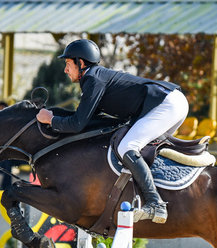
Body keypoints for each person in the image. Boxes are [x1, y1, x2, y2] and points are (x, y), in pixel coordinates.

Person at [35, 39, 189, 224]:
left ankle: (155, 203)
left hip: (166, 104)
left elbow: (77, 124)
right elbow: (90, 121)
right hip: (171, 102)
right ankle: (153, 194)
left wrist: (50, 119)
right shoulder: (96, 78)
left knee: (127, 147)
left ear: (81, 63)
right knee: (139, 149)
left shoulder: (92, 78)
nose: (66, 70)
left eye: (68, 64)